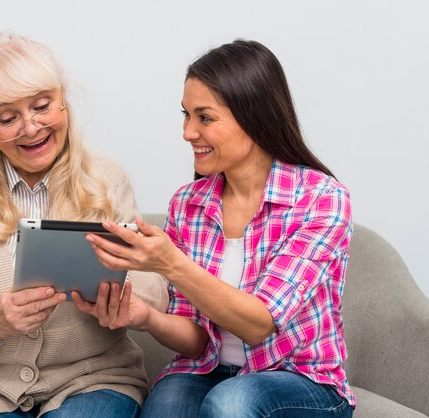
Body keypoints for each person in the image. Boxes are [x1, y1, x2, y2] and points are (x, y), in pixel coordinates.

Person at [75, 40, 355, 417]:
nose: (188, 132)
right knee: (166, 406)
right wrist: (146, 317)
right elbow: (196, 341)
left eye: (204, 117)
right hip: (209, 371)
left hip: (301, 380)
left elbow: (258, 324)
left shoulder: (321, 198)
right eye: (186, 115)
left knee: (231, 402)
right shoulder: (188, 204)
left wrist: (170, 263)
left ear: (252, 116)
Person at [0, 32, 167, 418]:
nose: (30, 128)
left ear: (64, 103)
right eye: (8, 118)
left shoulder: (108, 179)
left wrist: (118, 291)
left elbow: (158, 292)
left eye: (42, 106)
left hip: (93, 379)